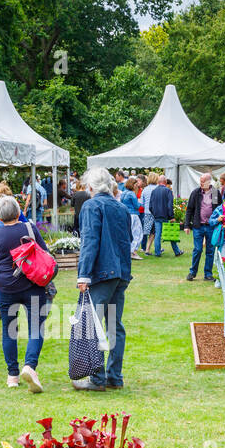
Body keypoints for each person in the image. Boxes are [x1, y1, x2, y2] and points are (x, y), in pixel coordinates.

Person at [0, 196, 49, 393]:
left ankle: (12, 375)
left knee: (9, 330)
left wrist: (1, 275)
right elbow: (45, 254)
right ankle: (30, 366)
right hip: (33, 285)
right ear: (17, 211)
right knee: (36, 328)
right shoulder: (30, 229)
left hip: (7, 289)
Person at [75, 167, 131, 392]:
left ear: (90, 187)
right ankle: (114, 376)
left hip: (102, 273)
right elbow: (127, 239)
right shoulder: (121, 207)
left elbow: (89, 241)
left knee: (93, 326)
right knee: (114, 326)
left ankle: (98, 379)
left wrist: (83, 275)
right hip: (120, 272)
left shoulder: (91, 205)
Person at [183, 172, 219, 281]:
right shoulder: (196, 192)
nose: (201, 183)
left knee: (210, 250)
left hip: (211, 226)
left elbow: (218, 209)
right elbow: (189, 209)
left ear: (209, 181)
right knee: (198, 249)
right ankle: (192, 272)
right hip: (198, 226)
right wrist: (186, 225)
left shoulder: (215, 193)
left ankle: (208, 274)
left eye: (203, 181)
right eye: (200, 181)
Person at [148, 175, 181, 257]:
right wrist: (172, 216)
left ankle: (157, 252)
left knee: (157, 235)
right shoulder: (168, 191)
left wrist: (154, 213)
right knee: (170, 233)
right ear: (165, 182)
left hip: (157, 216)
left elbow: (150, 206)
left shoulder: (154, 191)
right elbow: (170, 205)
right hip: (165, 216)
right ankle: (177, 251)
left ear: (158, 182)